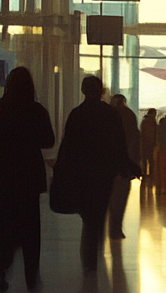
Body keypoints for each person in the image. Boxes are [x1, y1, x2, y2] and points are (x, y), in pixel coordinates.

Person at [0, 67, 55, 292]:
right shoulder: (36, 110)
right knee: (31, 226)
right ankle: (31, 274)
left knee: (3, 221)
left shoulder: (0, 108)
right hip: (29, 175)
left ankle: (2, 269)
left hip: (5, 174)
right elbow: (48, 140)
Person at [58, 77, 139, 273]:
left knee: (88, 216)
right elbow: (120, 144)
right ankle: (93, 257)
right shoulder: (110, 114)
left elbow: (68, 145)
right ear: (102, 91)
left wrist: (62, 170)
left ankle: (89, 259)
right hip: (104, 173)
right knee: (99, 212)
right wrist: (127, 166)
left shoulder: (77, 114)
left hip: (82, 173)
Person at [109, 94, 141, 239]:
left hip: (108, 163)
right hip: (124, 163)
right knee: (121, 196)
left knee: (108, 196)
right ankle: (116, 226)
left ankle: (109, 225)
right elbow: (135, 138)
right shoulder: (129, 115)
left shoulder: (107, 113)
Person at [139, 109, 158, 178]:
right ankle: (151, 173)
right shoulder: (152, 121)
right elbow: (155, 132)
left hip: (144, 142)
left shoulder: (144, 120)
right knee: (151, 158)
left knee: (144, 157)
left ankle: (143, 171)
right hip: (151, 142)